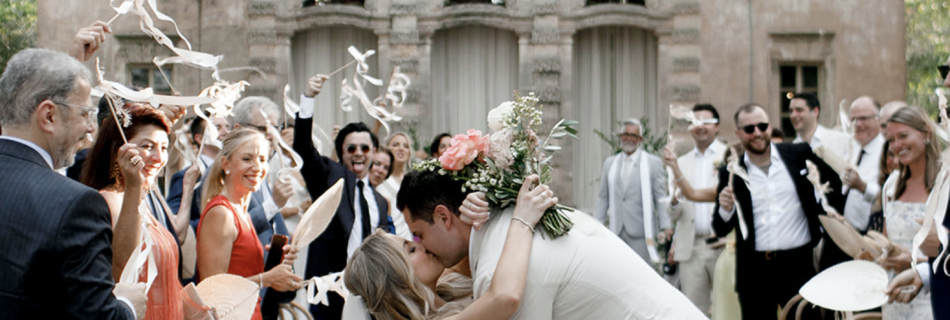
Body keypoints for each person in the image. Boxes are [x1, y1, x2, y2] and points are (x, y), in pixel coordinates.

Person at [397, 169, 705, 319]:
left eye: (418, 235)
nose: (421, 246)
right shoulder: (507, 222)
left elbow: (505, 295)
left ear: (443, 216)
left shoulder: (500, 266)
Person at [0, 48, 146, 319]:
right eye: (85, 113)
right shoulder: (77, 204)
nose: (91, 128)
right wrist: (126, 305)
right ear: (49, 116)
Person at [346, 175, 553, 319]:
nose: (422, 246)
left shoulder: (448, 283)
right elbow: (504, 297)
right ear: (398, 282)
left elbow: (461, 241)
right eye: (411, 249)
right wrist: (522, 220)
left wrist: (475, 204)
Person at [714, 103, 845, 320]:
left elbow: (834, 185)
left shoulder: (798, 154)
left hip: (798, 265)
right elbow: (720, 227)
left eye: (762, 126)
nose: (757, 133)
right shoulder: (731, 171)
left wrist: (824, 214)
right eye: (749, 129)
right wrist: (725, 209)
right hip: (754, 272)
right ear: (738, 133)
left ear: (769, 126)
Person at [81, 104, 193, 318]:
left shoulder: (141, 201)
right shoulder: (109, 200)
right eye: (147, 146)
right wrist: (134, 185)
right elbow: (122, 270)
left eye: (163, 147)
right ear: (118, 151)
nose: (159, 158)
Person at [293, 75, 392, 318]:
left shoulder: (379, 201)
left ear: (374, 152)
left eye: (365, 148)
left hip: (369, 294)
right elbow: (304, 148)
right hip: (330, 291)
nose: (358, 154)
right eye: (351, 148)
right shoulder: (330, 177)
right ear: (341, 152)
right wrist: (308, 99)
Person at [196, 129, 302, 320]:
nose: (256, 167)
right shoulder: (221, 213)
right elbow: (211, 290)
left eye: (262, 159)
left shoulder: (240, 211)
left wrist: (278, 262)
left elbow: (241, 270)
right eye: (247, 159)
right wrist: (267, 279)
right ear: (226, 165)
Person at [664, 103, 726, 315]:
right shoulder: (680, 162)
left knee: (724, 308)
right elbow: (674, 213)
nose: (700, 127)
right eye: (695, 122)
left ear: (716, 126)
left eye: (706, 122)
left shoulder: (728, 155)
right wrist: (674, 200)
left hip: (722, 246)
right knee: (693, 310)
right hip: (691, 248)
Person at [878, 105, 938, 319]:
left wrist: (915, 264)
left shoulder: (944, 184)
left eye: (903, 136)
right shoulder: (892, 184)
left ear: (926, 133)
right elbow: (886, 242)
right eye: (891, 140)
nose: (896, 145)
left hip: (933, 297)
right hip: (894, 295)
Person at [594, 118, 671, 263]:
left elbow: (660, 197)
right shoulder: (610, 163)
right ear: (620, 136)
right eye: (625, 134)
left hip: (642, 233)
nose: (628, 139)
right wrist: (597, 224)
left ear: (640, 139)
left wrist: (666, 225)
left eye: (633, 136)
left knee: (641, 275)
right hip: (616, 230)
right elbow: (603, 197)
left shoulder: (652, 163)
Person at [841, 96, 885, 233]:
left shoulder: (886, 152)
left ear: (879, 119)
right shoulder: (853, 149)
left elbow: (890, 195)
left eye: (864, 118)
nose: (857, 124)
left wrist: (863, 187)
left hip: (870, 234)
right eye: (853, 119)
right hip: (845, 231)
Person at [376, 133, 415, 240]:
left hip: (408, 240)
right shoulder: (379, 177)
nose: (401, 148)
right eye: (395, 145)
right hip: (386, 240)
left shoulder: (413, 180)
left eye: (405, 146)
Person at [790, 92, 851, 159]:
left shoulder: (841, 140)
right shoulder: (791, 149)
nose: (793, 115)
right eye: (791, 111)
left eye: (799, 110)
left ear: (815, 112)